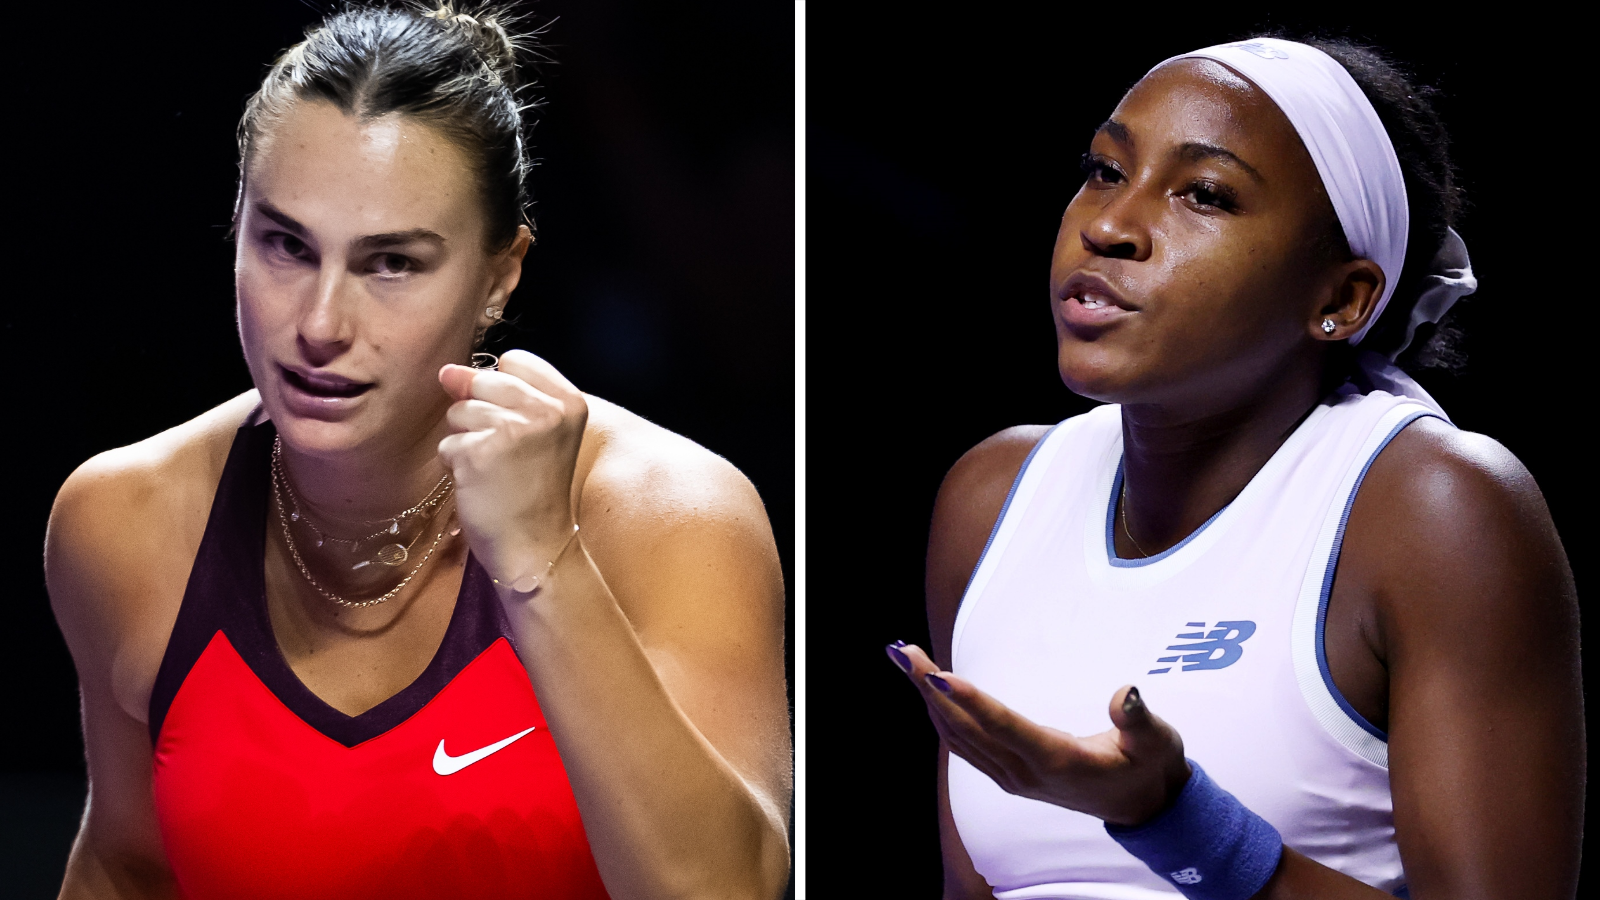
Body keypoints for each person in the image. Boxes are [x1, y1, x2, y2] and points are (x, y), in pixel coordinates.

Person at [46, 3, 791, 898]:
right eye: (285, 244)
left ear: (500, 273)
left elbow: (728, 892)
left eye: (391, 263)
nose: (319, 325)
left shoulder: (672, 516)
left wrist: (542, 563)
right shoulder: (122, 518)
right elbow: (127, 869)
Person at [886, 36, 1581, 899]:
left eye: (1204, 194)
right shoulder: (991, 497)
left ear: (1341, 300)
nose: (1109, 226)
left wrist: (1175, 822)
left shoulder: (1432, 508)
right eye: (1104, 169)